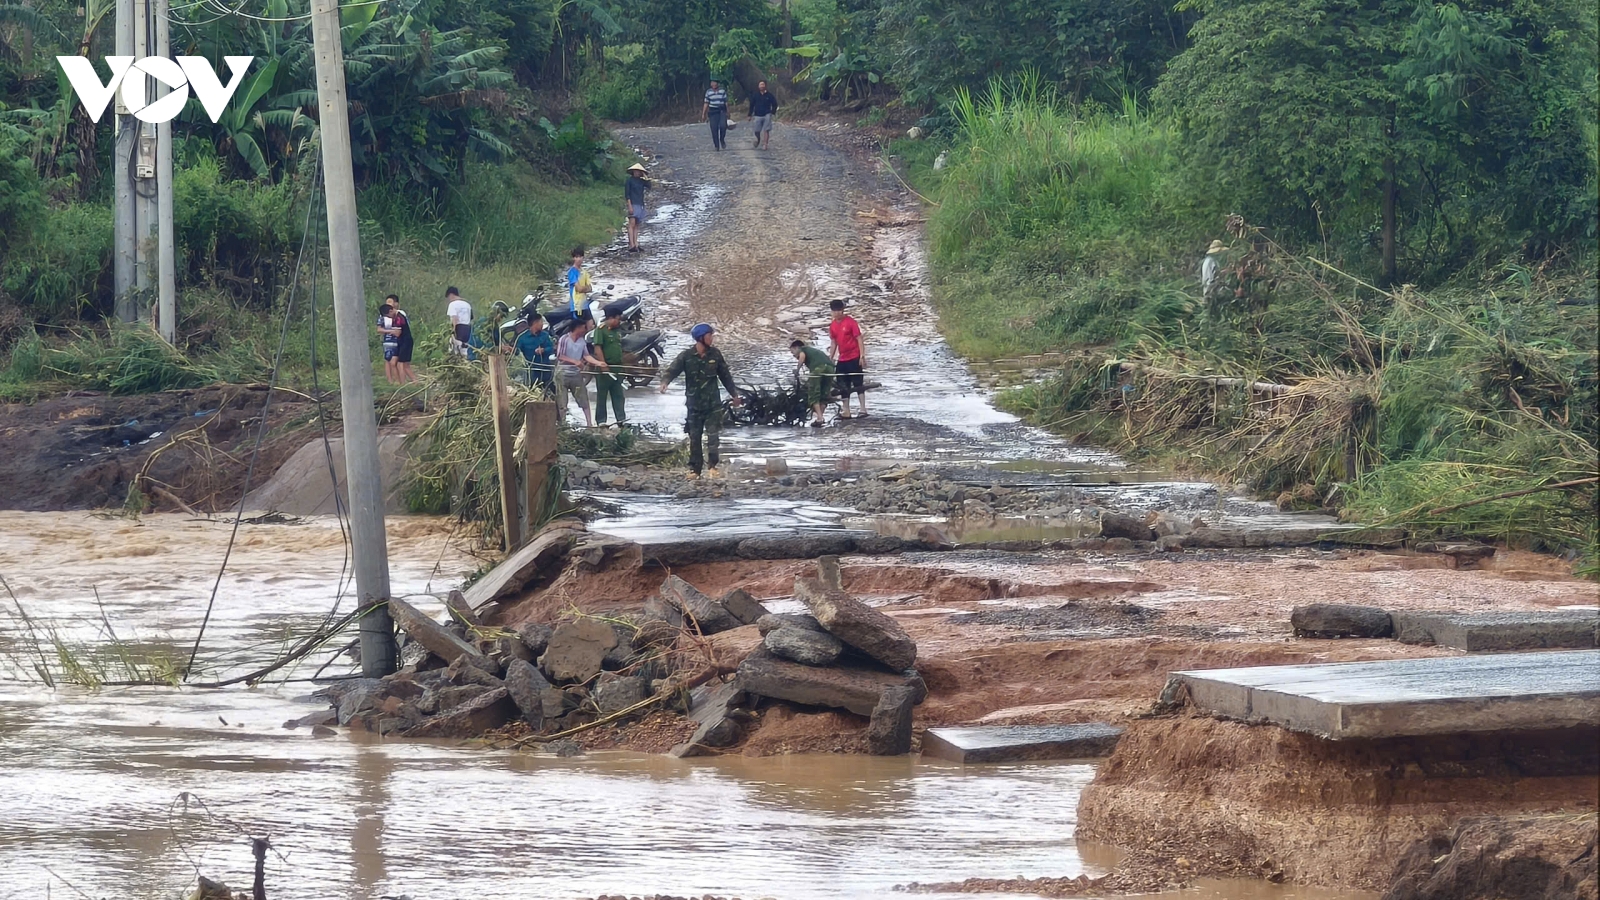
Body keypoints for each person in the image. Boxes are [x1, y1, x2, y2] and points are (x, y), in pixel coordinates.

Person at [659, 323, 742, 480]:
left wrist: (734, 395)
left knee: (713, 436)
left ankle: (713, 466)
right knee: (694, 437)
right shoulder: (686, 356)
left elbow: (725, 376)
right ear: (701, 338)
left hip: (713, 405)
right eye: (710, 335)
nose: (712, 338)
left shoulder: (715, 355)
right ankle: (695, 470)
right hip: (694, 405)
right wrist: (665, 382)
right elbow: (672, 370)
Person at [556, 315, 601, 427]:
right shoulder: (564, 339)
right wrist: (575, 361)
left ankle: (589, 424)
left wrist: (598, 363)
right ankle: (563, 424)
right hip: (562, 374)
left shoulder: (582, 341)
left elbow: (586, 356)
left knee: (584, 400)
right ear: (577, 328)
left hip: (576, 374)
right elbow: (560, 356)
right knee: (562, 401)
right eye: (583, 327)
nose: (585, 330)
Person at [827, 299, 867, 418]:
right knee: (842, 384)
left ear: (843, 310)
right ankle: (846, 411)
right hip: (842, 358)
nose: (837, 313)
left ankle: (863, 409)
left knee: (858, 382)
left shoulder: (851, 322)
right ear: (832, 312)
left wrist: (862, 356)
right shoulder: (833, 325)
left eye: (839, 310)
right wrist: (831, 357)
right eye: (835, 311)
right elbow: (834, 342)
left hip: (854, 356)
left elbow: (859, 338)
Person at [589, 306, 628, 426]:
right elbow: (597, 348)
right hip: (604, 368)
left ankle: (621, 419)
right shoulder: (600, 330)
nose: (619, 321)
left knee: (619, 395)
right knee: (602, 395)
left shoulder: (617, 331)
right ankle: (601, 421)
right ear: (610, 318)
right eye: (617, 319)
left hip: (617, 367)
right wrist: (603, 365)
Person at [790, 338, 836, 428]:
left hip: (818, 369)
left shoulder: (803, 350)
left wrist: (797, 370)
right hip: (830, 368)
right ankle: (820, 417)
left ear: (796, 348)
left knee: (813, 393)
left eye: (793, 352)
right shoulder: (813, 351)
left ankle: (819, 417)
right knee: (824, 393)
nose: (793, 355)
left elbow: (802, 356)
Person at [514, 313, 556, 396]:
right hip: (532, 372)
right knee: (533, 393)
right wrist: (511, 350)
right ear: (535, 323)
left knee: (552, 393)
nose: (542, 324)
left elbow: (551, 348)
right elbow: (517, 352)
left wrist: (544, 350)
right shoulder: (522, 338)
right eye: (541, 322)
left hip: (546, 370)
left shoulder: (545, 335)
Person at [623, 164, 649, 252]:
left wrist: (645, 177)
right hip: (633, 203)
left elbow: (649, 186)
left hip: (640, 204)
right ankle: (631, 245)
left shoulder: (642, 182)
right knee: (631, 224)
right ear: (633, 172)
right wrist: (629, 205)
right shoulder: (629, 181)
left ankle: (636, 244)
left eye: (639, 171)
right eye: (636, 171)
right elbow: (627, 195)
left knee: (637, 225)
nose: (637, 173)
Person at [748, 80, 779, 150]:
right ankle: (758, 139)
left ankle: (765, 144)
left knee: (766, 130)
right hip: (758, 115)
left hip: (767, 114)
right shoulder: (755, 95)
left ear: (765, 86)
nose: (762, 86)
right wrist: (749, 115)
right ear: (758, 86)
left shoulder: (769, 95)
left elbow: (775, 104)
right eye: (760, 85)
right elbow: (752, 105)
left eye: (763, 85)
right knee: (757, 131)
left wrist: (772, 112)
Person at [377, 301, 402, 384]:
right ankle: (392, 381)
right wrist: (390, 331)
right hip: (387, 342)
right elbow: (379, 329)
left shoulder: (399, 316)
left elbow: (400, 331)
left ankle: (400, 382)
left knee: (396, 362)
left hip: (398, 342)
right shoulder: (382, 317)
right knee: (389, 361)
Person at [703, 78, 729, 151]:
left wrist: (728, 112)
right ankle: (716, 145)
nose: (714, 84)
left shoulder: (722, 91)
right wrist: (703, 114)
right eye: (712, 83)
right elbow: (706, 103)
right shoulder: (708, 92)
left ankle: (722, 139)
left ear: (717, 84)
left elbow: (726, 102)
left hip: (721, 111)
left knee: (723, 126)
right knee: (714, 128)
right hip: (713, 112)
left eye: (715, 83)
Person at [446, 287, 472, 356]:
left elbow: (454, 318)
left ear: (451, 295)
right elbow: (471, 317)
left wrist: (453, 331)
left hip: (458, 328)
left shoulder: (452, 304)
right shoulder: (467, 304)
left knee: (454, 349)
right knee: (464, 349)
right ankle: (465, 363)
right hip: (467, 329)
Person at [566, 248, 591, 314]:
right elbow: (579, 289)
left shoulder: (584, 272)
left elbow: (590, 288)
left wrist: (583, 288)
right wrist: (585, 288)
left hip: (585, 305)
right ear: (574, 258)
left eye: (580, 257)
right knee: (581, 324)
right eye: (577, 257)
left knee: (590, 323)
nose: (579, 259)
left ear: (583, 257)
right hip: (576, 306)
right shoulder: (572, 272)